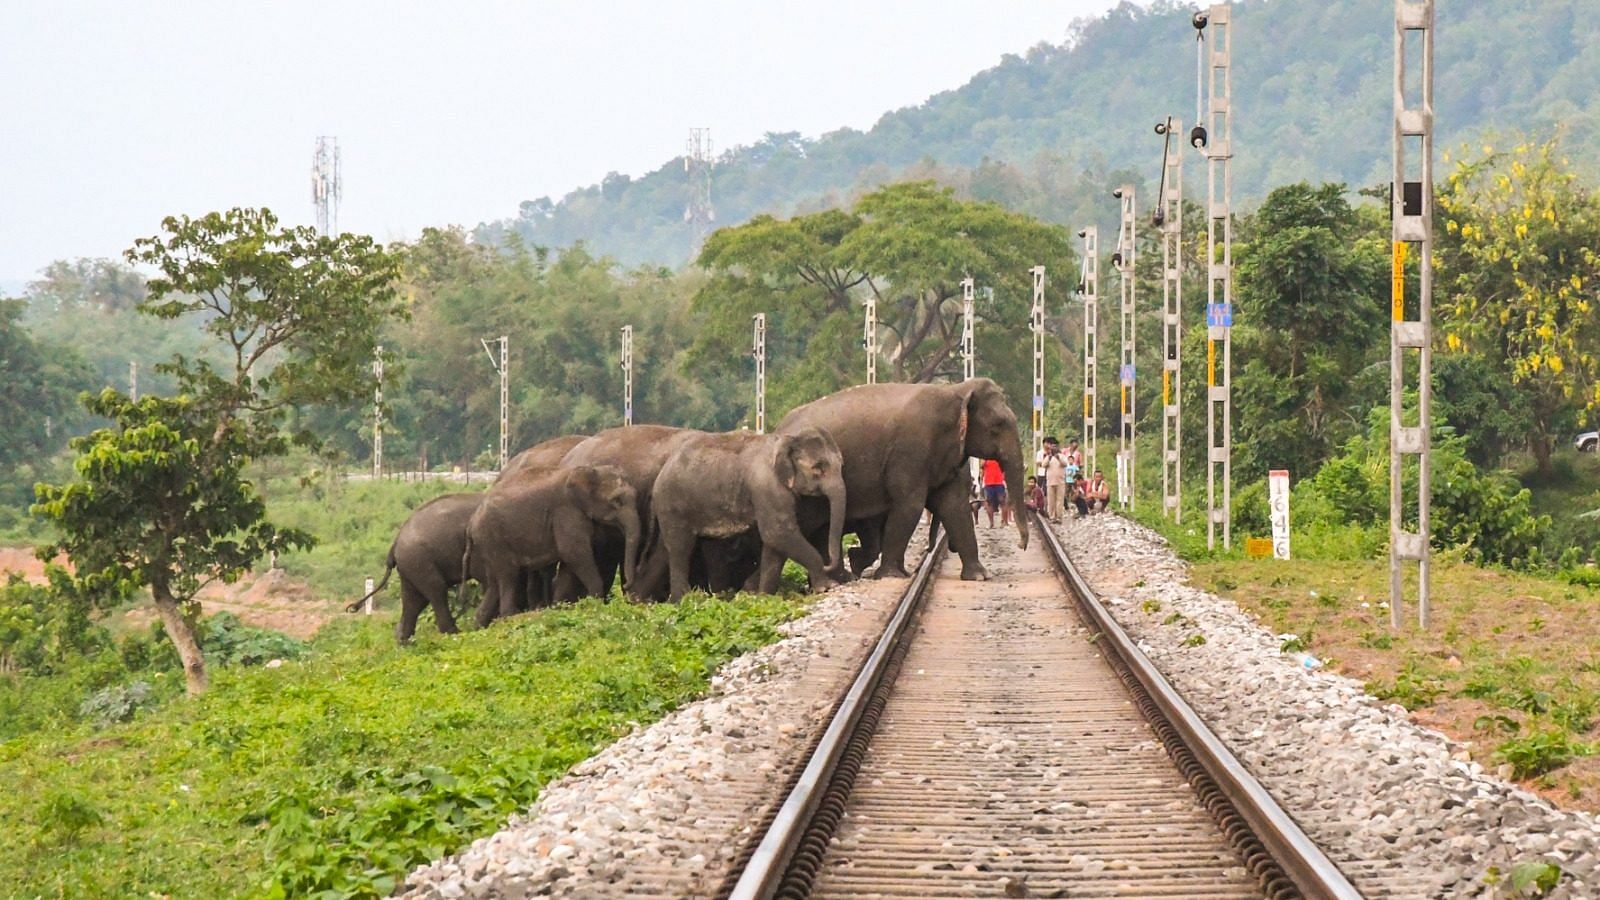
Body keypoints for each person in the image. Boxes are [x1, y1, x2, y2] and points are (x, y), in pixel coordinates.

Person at [1043, 441, 1068, 522]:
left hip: (1060, 482)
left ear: (1058, 448)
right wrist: (1049, 459)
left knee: (1060, 500)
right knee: (1051, 501)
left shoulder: (1062, 456)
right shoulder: (1048, 457)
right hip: (1050, 482)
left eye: (1055, 446)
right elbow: (1043, 465)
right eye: (1052, 447)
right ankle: (1052, 516)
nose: (1054, 448)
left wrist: (1058, 458)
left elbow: (1065, 464)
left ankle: (1059, 517)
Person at [981, 457, 1010, 527]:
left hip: (999, 481)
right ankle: (991, 523)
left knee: (1002, 500)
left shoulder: (999, 456)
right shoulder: (985, 457)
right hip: (988, 482)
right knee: (989, 502)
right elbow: (982, 466)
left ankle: (1004, 522)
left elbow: (1005, 466)